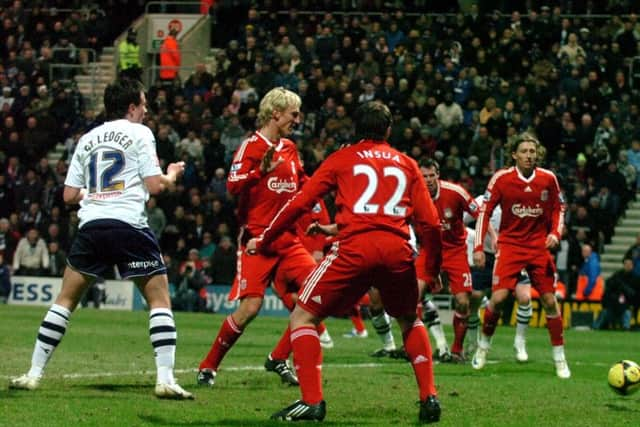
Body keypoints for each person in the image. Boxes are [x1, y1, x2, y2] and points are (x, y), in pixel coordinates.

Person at [247, 101, 443, 423]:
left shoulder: (342, 158)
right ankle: (429, 397)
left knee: (303, 317)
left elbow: (300, 202)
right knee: (409, 318)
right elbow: (431, 226)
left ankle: (311, 402)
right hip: (396, 249)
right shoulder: (407, 164)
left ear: (355, 129)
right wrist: (431, 269)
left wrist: (265, 239)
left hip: (355, 248)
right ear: (389, 130)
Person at [9, 78, 193, 399]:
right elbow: (153, 187)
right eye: (144, 103)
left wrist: (98, 193)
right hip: (128, 225)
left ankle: (33, 373)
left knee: (65, 300)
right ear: (132, 107)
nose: (147, 109)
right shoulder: (140, 133)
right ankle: (165, 379)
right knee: (159, 300)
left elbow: (68, 196)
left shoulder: (87, 138)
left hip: (91, 226)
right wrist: (173, 176)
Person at [196, 87, 317, 388]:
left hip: (287, 240)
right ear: (275, 113)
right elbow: (232, 187)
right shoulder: (251, 147)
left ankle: (277, 357)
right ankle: (208, 367)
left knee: (318, 296)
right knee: (250, 307)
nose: (298, 119)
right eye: (294, 113)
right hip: (256, 241)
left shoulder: (289, 148)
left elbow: (303, 184)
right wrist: (259, 173)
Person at [471, 133, 570, 379]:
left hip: (538, 247)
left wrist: (555, 234)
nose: (529, 155)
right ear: (514, 154)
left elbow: (560, 208)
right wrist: (478, 247)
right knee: (498, 298)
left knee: (549, 301)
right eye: (524, 151)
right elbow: (484, 211)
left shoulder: (548, 179)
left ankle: (560, 358)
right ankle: (483, 347)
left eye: (532, 151)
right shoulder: (502, 179)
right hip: (510, 246)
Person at [418, 158, 479, 362]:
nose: (427, 180)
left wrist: (490, 240)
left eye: (431, 175)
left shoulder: (455, 192)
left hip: (455, 251)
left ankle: (456, 349)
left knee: (462, 302)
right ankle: (420, 346)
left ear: (438, 175)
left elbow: (481, 214)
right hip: (428, 251)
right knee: (414, 296)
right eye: (423, 176)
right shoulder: (413, 195)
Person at [593, 258, 638, 330]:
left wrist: (624, 289)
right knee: (605, 312)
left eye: (630, 264)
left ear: (633, 266)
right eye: (626, 264)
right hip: (614, 304)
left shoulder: (636, 278)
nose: (628, 266)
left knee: (627, 313)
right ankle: (595, 327)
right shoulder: (618, 275)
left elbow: (634, 294)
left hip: (626, 305)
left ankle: (626, 328)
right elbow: (609, 285)